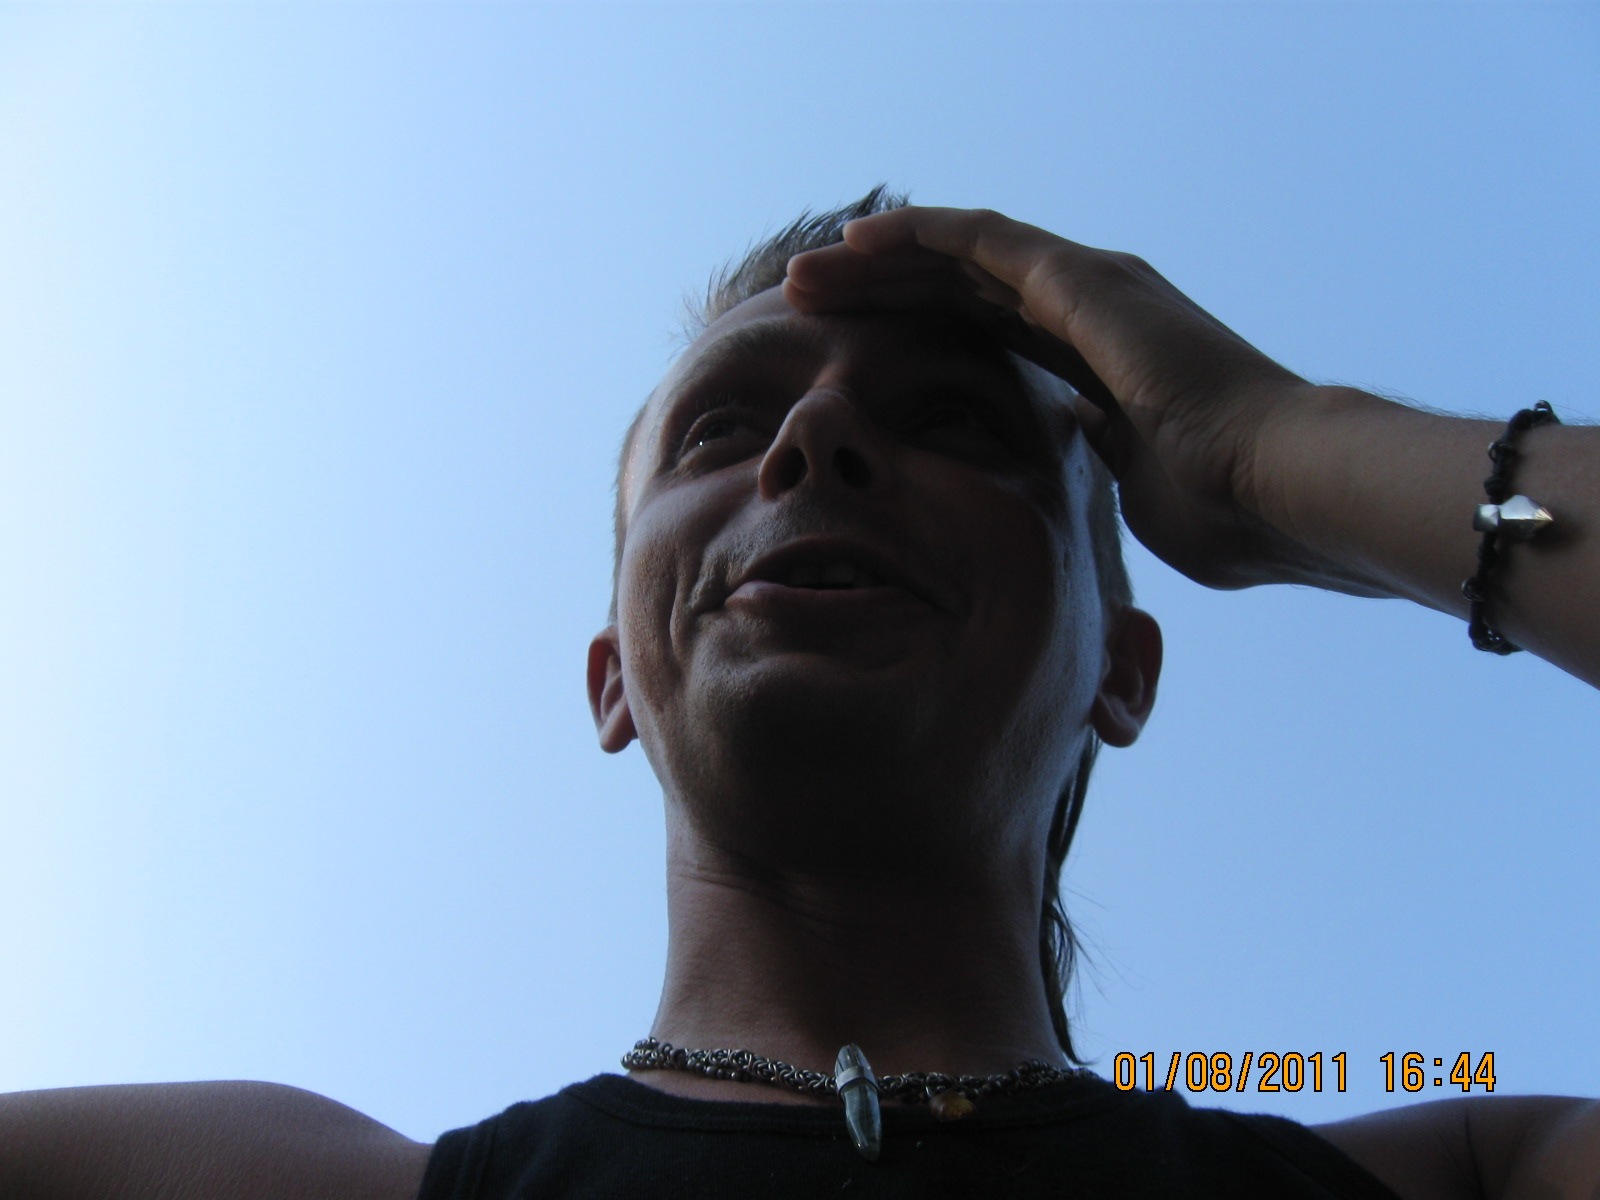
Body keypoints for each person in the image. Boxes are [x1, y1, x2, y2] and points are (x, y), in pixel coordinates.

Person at [2, 190, 1594, 1199]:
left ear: (1121, 666)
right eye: (719, 429)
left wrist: (1267, 447)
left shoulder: (1481, 1172)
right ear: (615, 679)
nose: (812, 445)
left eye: (952, 424)